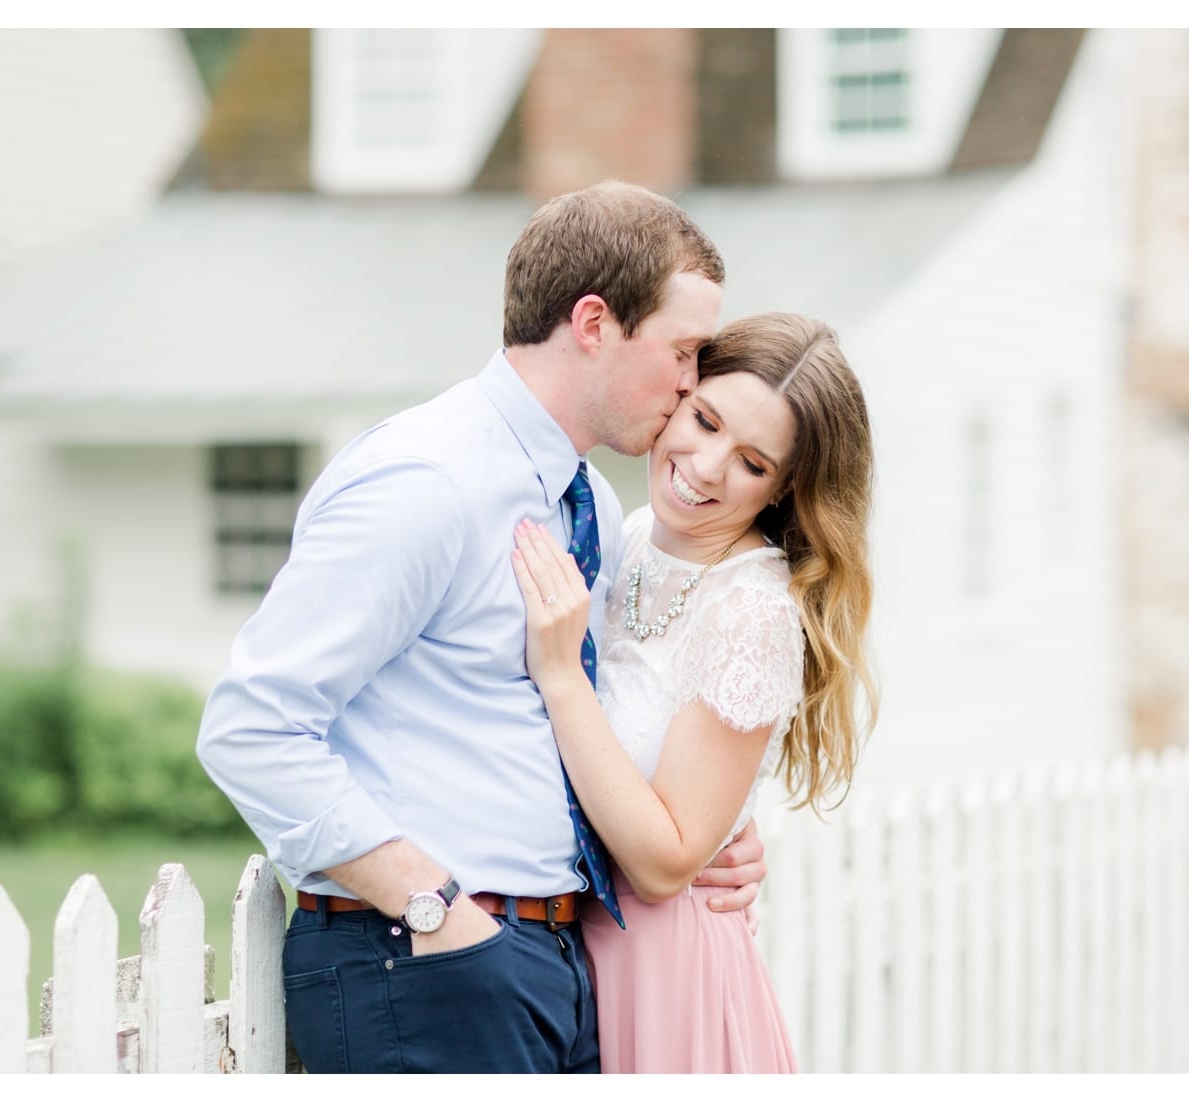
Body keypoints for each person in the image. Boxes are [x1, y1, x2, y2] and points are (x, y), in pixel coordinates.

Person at [195, 181, 769, 1074]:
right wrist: (436, 912)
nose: (694, 381)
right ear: (593, 323)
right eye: (685, 351)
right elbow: (252, 727)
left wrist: (703, 836)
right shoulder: (427, 480)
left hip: (550, 960)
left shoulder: (585, 503)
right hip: (424, 964)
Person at [509, 311, 879, 1073]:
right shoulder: (631, 533)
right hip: (567, 958)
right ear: (678, 392)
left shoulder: (753, 611)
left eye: (751, 462)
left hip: (666, 975)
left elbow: (664, 861)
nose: (706, 466)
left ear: (784, 490)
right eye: (704, 419)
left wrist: (560, 676)